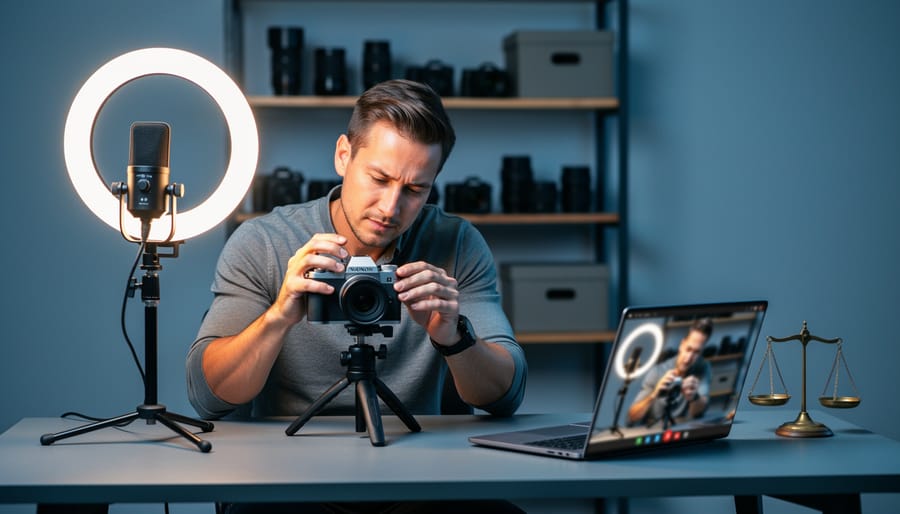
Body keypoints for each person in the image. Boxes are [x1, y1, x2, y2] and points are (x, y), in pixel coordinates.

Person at [185, 79, 527, 513]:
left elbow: (505, 395)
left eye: (415, 189)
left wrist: (453, 336)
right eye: (379, 178)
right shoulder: (265, 242)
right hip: (290, 475)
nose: (390, 207)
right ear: (344, 155)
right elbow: (208, 395)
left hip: (420, 476)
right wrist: (280, 315)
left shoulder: (455, 243)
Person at [626, 318, 713, 428]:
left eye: (696, 352)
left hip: (681, 429)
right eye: (688, 349)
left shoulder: (703, 368)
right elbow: (632, 416)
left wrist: (694, 397)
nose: (689, 358)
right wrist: (654, 394)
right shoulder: (657, 371)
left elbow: (698, 412)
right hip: (655, 430)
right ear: (682, 345)